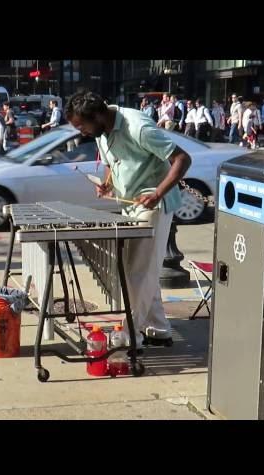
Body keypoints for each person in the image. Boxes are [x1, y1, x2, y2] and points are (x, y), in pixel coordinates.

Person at [65, 91, 191, 346]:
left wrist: (157, 193)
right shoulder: (101, 131)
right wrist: (108, 183)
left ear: (98, 116)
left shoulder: (138, 127)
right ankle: (158, 328)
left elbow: (182, 158)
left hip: (153, 202)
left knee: (138, 272)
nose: (82, 132)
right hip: (130, 204)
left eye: (82, 126)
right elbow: (113, 160)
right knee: (141, 270)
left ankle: (131, 333)